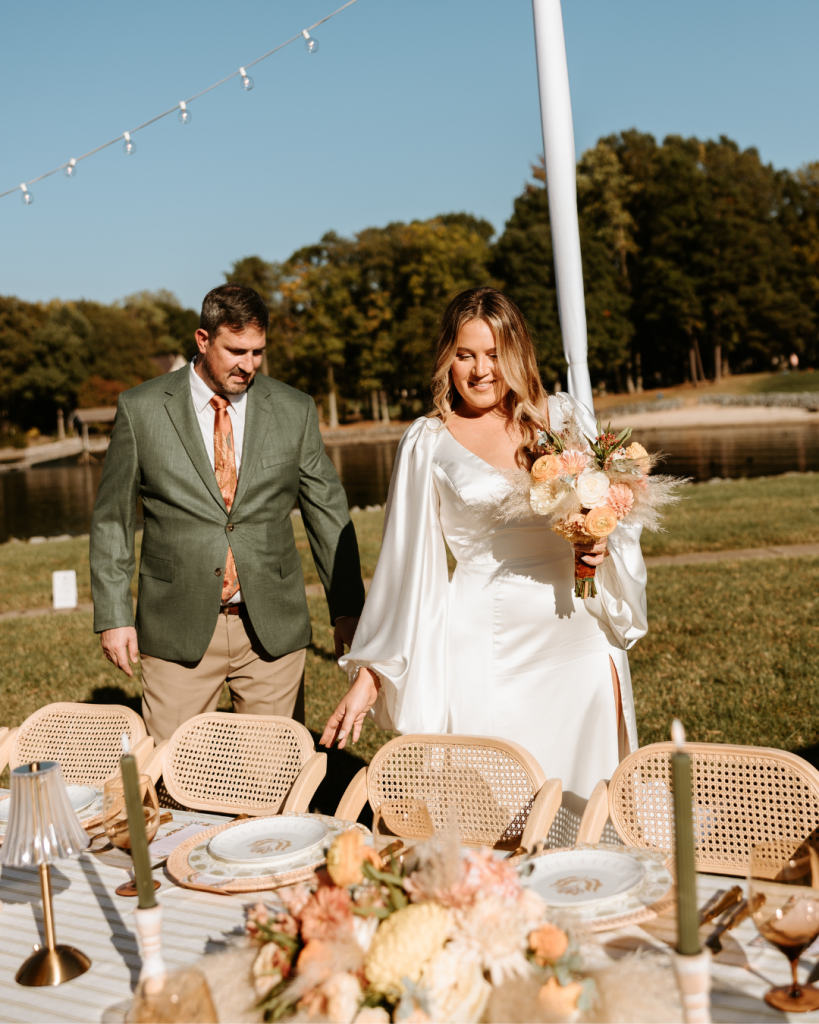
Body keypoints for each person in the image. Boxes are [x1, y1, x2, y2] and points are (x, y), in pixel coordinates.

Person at [320, 287, 647, 806]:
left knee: (587, 793)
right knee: (495, 800)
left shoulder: (562, 418)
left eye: (494, 354)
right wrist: (372, 674)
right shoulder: (427, 442)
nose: (480, 371)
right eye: (464, 355)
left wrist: (599, 547)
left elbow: (615, 512)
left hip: (577, 635)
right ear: (446, 358)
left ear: (516, 353)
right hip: (483, 639)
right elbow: (407, 568)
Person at [90, 283, 365, 742]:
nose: (249, 365)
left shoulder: (294, 409)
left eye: (258, 352)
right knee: (170, 778)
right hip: (175, 625)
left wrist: (348, 609)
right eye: (236, 350)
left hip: (272, 630)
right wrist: (114, 615)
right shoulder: (140, 409)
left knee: (271, 779)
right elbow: (111, 520)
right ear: (202, 340)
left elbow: (329, 515)